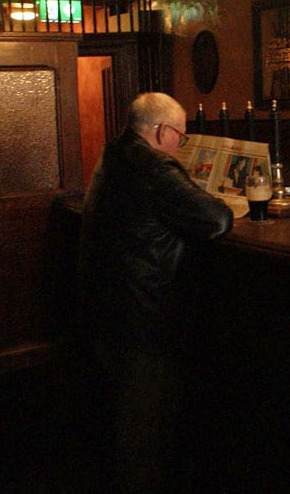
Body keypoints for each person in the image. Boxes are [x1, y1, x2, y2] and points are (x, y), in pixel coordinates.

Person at [78, 92, 233, 493]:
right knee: (142, 430)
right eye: (180, 137)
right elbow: (216, 219)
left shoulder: (113, 156)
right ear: (163, 131)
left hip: (107, 304)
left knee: (123, 420)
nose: (181, 145)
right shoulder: (153, 166)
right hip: (143, 314)